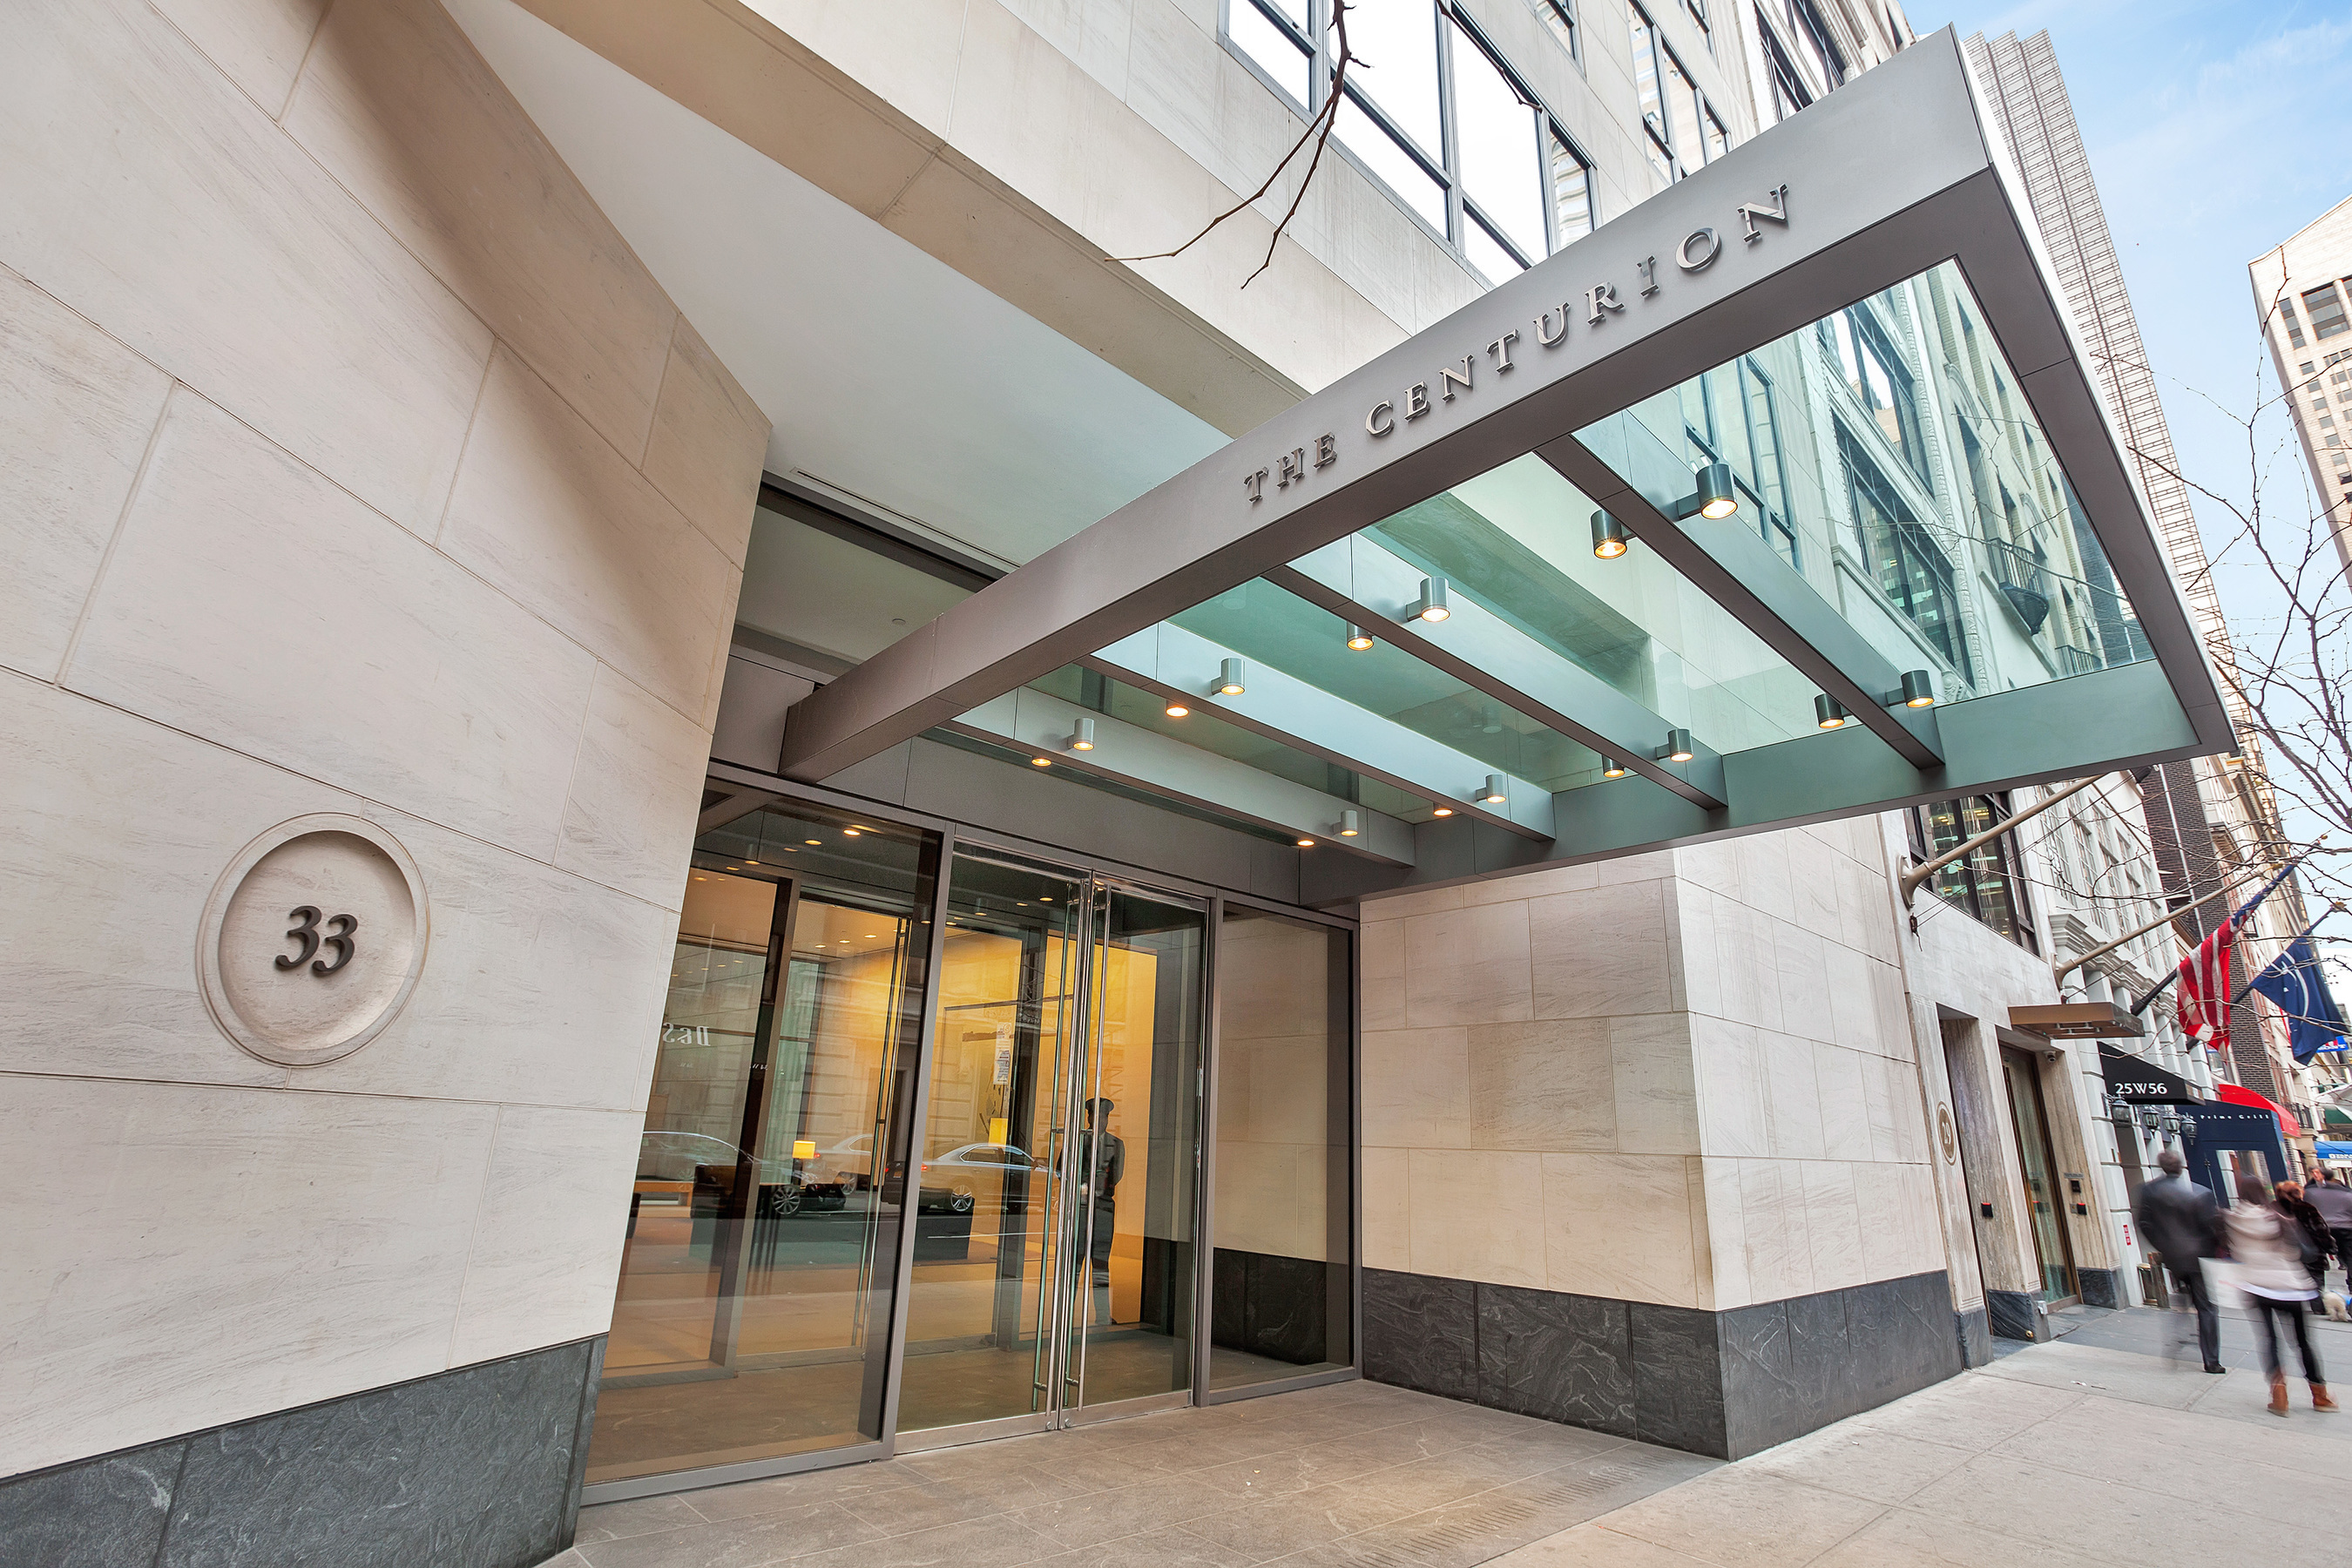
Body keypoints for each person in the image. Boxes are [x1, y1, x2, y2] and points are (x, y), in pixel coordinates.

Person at [2220, 1174, 2337, 1416]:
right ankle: (2320, 1395)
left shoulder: (2232, 1220)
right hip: (2290, 1286)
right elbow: (2299, 1250)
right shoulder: (2277, 1218)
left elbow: (2231, 1250)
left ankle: (2279, 1395)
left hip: (2257, 1286)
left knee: (2270, 1340)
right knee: (2303, 1342)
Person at [2134, 1148, 2226, 1373]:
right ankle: (2211, 1361)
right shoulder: (2198, 1193)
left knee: (2183, 1302)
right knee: (2207, 1308)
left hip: (2174, 1258)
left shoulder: (2149, 1191)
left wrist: (2163, 1247)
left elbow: (2144, 1224)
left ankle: (2176, 1343)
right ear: (2181, 1166)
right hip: (2198, 1259)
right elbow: (2211, 1227)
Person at [1072, 1098, 1124, 1327]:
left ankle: (1102, 1316)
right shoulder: (1078, 1140)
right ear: (1089, 1118)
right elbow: (1063, 1170)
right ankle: (1066, 1312)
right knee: (1075, 1262)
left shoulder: (1116, 1144)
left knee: (1101, 1264)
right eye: (1094, 1116)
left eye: (1102, 1116)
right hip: (1081, 1208)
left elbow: (1117, 1175)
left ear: (1107, 1119)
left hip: (1103, 1208)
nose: (1097, 1120)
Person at [2277, 1179, 2333, 1315]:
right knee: (2316, 1279)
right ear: (2299, 1193)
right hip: (2312, 1251)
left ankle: (2293, 1304)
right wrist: (2330, 1247)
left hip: (2287, 1251)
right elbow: (2320, 1230)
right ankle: (2318, 1306)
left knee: (2294, 1278)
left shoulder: (2275, 1209)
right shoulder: (2307, 1208)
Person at [2307, 1171, 2352, 1289]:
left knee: (2317, 1258)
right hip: (2345, 1228)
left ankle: (2318, 1290)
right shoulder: (2347, 1193)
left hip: (2320, 1228)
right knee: (2350, 1256)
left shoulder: (2310, 1192)